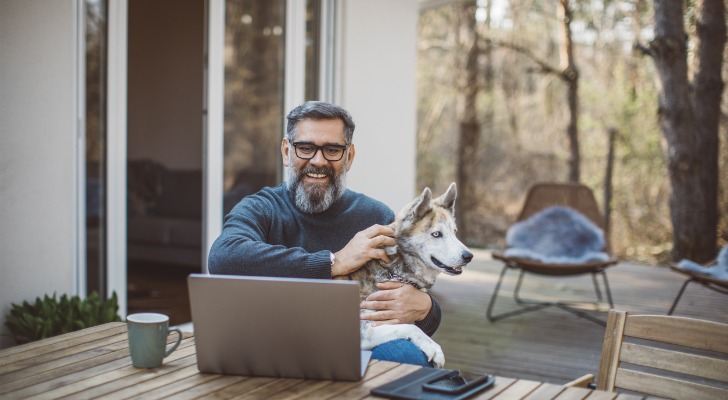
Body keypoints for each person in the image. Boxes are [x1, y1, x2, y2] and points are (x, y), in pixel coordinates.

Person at [208, 101, 441, 367]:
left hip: (353, 343)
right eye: (305, 148)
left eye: (332, 150)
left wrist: (426, 308)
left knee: (408, 358)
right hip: (273, 340)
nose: (318, 161)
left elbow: (406, 301)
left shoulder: (377, 218)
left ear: (349, 157)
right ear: (286, 152)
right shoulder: (261, 208)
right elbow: (223, 257)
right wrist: (335, 262)